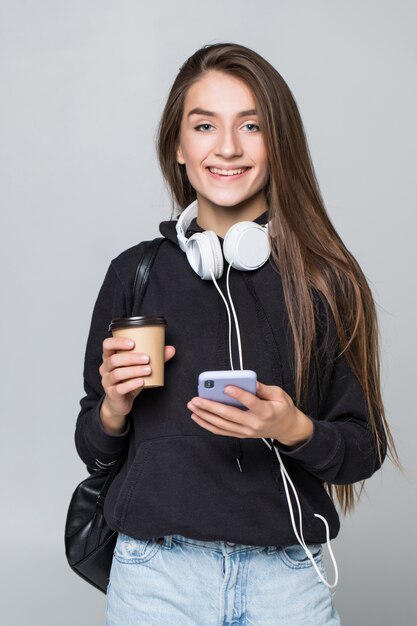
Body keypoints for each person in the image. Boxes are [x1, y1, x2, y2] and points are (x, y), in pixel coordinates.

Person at [75, 42, 397, 625]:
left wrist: (291, 427)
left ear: (280, 142)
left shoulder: (326, 282)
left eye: (251, 125)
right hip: (155, 576)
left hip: (288, 579)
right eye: (204, 125)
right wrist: (114, 408)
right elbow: (94, 449)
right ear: (178, 144)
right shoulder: (135, 273)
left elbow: (364, 447)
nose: (227, 147)